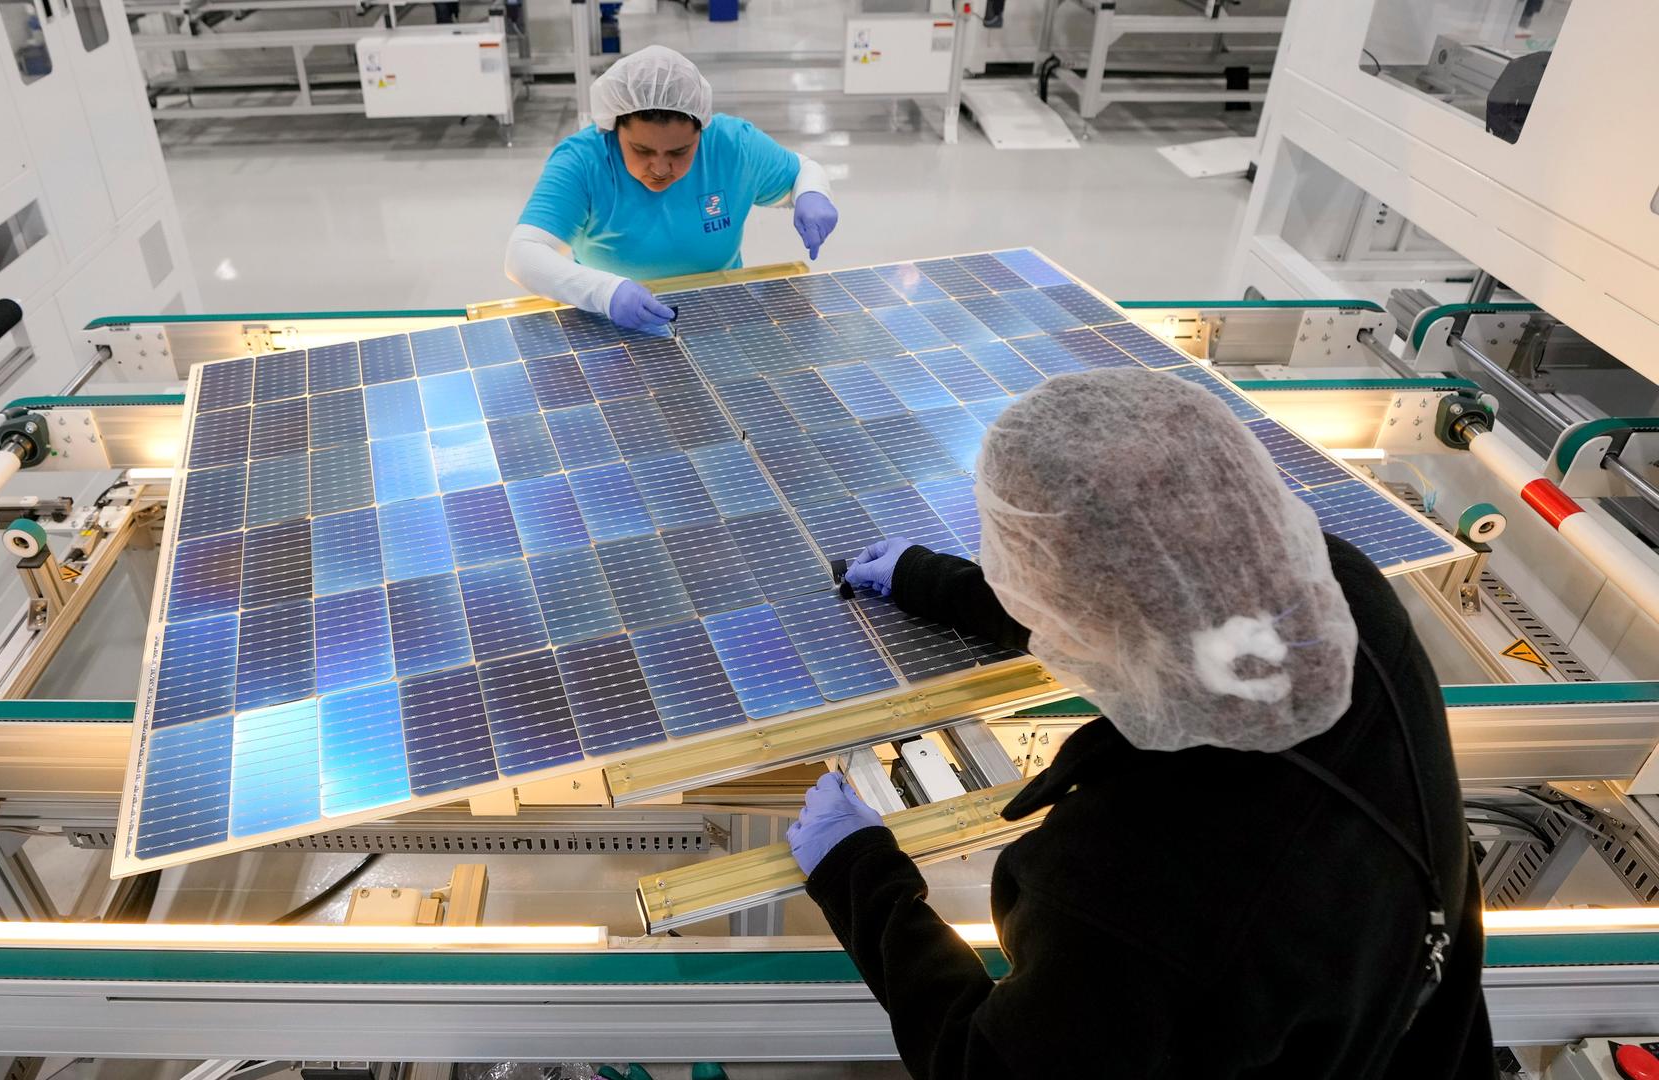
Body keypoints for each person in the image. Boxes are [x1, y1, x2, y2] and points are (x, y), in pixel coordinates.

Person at [789, 370, 1496, 1079]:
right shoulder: (1342, 595)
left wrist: (858, 875)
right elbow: (1147, 598)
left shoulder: (1130, 896)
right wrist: (930, 581)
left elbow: (984, 1066)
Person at [504, 46, 839, 337]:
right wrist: (605, 292)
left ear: (702, 130)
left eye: (679, 152)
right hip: (612, 325)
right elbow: (523, 255)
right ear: (613, 127)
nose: (661, 168)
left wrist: (812, 193)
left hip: (720, 318)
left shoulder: (732, 146)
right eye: (642, 150)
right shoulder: (584, 161)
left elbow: (803, 169)